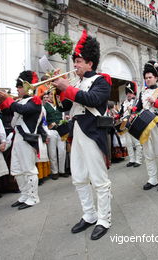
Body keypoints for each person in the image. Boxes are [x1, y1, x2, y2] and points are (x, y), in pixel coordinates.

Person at [52, 30, 112, 240]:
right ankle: (89, 215)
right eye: (75, 61)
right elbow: (64, 107)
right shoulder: (76, 83)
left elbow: (93, 99)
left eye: (78, 61)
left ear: (90, 63)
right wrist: (58, 89)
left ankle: (104, 218)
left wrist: (67, 88)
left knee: (99, 178)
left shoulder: (102, 80)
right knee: (78, 177)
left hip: (93, 132)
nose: (75, 65)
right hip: (76, 132)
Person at [0, 70, 46, 210]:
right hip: (18, 137)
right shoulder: (20, 101)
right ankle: (24, 195)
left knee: (29, 169)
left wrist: (8, 99)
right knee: (17, 169)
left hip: (27, 138)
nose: (17, 89)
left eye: (19, 86)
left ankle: (33, 197)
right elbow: (7, 112)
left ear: (27, 87)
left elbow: (23, 110)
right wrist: (1, 99)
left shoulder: (35, 100)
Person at [131, 60, 158, 192]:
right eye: (146, 78)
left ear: (156, 77)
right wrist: (132, 113)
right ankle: (152, 179)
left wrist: (156, 102)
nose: (148, 80)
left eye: (150, 77)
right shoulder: (142, 93)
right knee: (148, 154)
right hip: (145, 126)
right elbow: (138, 108)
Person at [44, 91, 68, 180]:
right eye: (50, 94)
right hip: (51, 131)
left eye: (53, 94)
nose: (52, 96)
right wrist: (48, 129)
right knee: (52, 152)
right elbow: (43, 120)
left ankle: (62, 170)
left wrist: (64, 122)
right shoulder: (44, 107)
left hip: (61, 130)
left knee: (62, 151)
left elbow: (63, 117)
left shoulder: (59, 105)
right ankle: (54, 171)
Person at [119, 81, 142, 167]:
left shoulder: (137, 101)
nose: (129, 94)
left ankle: (138, 160)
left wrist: (133, 110)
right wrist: (117, 117)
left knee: (137, 143)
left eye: (130, 92)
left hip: (134, 124)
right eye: (127, 93)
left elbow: (139, 111)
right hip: (125, 124)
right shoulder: (124, 103)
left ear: (134, 93)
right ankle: (132, 159)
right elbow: (121, 113)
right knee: (128, 143)